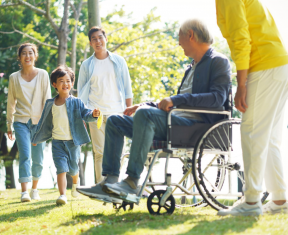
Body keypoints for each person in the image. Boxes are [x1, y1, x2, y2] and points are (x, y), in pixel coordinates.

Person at [76, 19, 231, 204]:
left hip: (195, 127)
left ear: (190, 35)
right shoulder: (192, 66)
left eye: (180, 38)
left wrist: (174, 100)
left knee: (145, 115)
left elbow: (217, 99)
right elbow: (173, 101)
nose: (179, 43)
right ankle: (109, 182)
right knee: (116, 121)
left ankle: (132, 181)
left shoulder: (218, 61)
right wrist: (143, 105)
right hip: (174, 122)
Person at [215, 0, 288, 216]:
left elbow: (241, 38)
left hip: (265, 66)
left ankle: (251, 201)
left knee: (252, 132)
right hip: (278, 66)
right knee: (268, 138)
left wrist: (241, 84)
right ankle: (280, 199)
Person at [31, 66, 100, 205]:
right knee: (61, 168)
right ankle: (62, 195)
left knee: (74, 168)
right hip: (57, 142)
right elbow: (43, 122)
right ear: (54, 84)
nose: (65, 84)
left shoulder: (77, 102)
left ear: (71, 83)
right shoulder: (50, 103)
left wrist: (93, 115)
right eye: (61, 81)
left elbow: (85, 114)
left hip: (73, 142)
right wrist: (36, 138)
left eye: (68, 81)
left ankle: (75, 182)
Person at [77, 26, 133, 184]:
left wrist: (129, 110)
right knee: (99, 152)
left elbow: (127, 88)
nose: (97, 41)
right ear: (90, 43)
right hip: (96, 114)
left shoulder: (118, 61)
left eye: (100, 37)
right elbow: (81, 93)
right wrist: (82, 115)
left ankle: (115, 184)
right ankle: (102, 186)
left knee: (118, 152)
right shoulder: (86, 65)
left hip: (117, 113)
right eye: (93, 39)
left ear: (106, 39)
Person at [7, 43, 51, 202]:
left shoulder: (43, 74)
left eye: (31, 53)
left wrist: (43, 126)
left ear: (35, 56)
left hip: (39, 123)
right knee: (25, 155)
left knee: (38, 158)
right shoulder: (13, 77)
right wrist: (9, 124)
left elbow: (47, 100)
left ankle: (34, 189)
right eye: (24, 53)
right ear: (19, 58)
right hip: (20, 122)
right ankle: (24, 192)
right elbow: (11, 102)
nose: (27, 56)